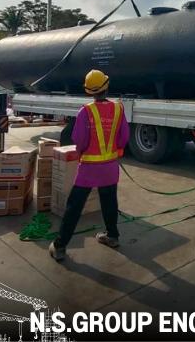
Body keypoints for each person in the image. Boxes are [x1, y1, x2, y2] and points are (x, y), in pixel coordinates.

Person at [49, 69, 130, 261]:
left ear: (89, 91)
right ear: (106, 86)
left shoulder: (86, 111)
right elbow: (124, 137)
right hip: (110, 167)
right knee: (109, 201)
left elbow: (80, 140)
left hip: (89, 169)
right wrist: (115, 150)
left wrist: (83, 151)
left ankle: (60, 246)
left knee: (74, 206)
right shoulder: (119, 109)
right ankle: (112, 236)